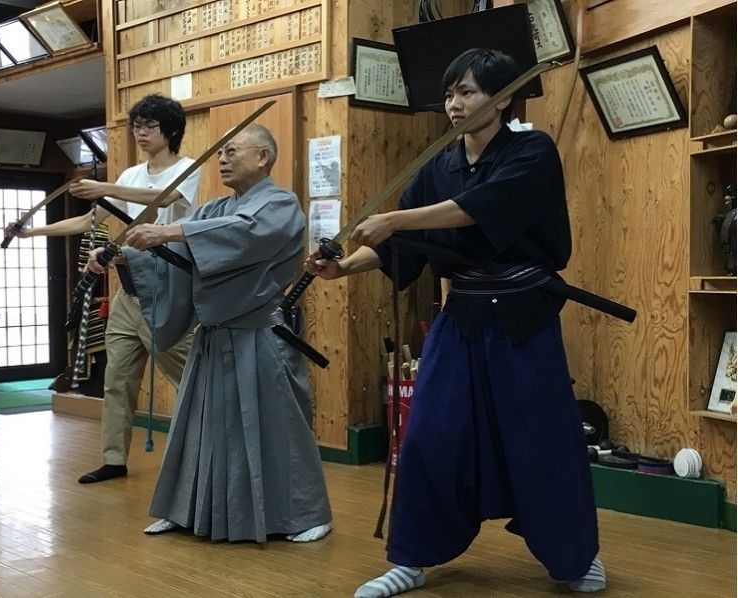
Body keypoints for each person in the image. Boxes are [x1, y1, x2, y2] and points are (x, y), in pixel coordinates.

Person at [306, 49, 605, 596]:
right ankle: (411, 558)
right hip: (461, 316)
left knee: (541, 439)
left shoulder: (531, 150)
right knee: (426, 436)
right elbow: (406, 247)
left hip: (522, 318)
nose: (455, 103)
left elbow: (477, 208)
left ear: (504, 96)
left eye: (467, 92)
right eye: (449, 93)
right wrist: (345, 265)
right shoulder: (436, 166)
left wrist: (391, 218)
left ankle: (575, 556)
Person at [88, 124, 333, 543]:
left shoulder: (280, 204)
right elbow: (176, 256)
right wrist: (123, 257)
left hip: (262, 335)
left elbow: (245, 233)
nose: (222, 159)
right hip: (214, 336)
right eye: (220, 152)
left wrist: (168, 231)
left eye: (232, 151)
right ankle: (186, 510)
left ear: (263, 157)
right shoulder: (212, 210)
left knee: (278, 425)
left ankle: (307, 514)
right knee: (200, 425)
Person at [5, 94, 200, 484]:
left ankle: (199, 455)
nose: (141, 133)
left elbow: (163, 198)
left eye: (150, 126)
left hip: (168, 289)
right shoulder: (128, 175)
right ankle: (113, 459)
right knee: (117, 380)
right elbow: (90, 219)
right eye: (137, 126)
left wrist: (104, 187)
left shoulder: (186, 168)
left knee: (189, 377)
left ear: (171, 130)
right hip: (128, 288)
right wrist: (32, 232)